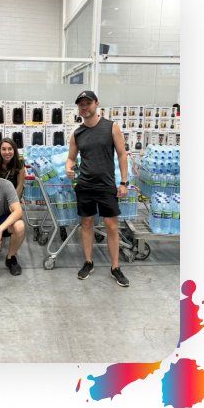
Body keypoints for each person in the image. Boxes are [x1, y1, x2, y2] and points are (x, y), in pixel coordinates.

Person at [66, 90, 130, 287]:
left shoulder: (111, 127)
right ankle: (88, 262)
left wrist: (124, 182)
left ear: (96, 104)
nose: (84, 107)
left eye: (88, 103)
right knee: (86, 223)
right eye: (81, 104)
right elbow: (71, 158)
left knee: (112, 226)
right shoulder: (77, 133)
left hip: (106, 185)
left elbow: (122, 154)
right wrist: (68, 167)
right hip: (85, 185)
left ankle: (115, 267)